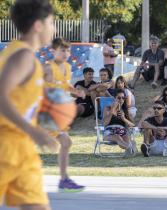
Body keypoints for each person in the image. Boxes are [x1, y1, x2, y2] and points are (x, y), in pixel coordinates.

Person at [0, 0, 57, 210]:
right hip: (5, 144)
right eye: (51, 22)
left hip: (22, 148)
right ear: (38, 26)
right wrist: (32, 130)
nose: (54, 29)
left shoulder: (24, 56)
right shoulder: (22, 56)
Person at [44, 37, 85, 192]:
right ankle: (64, 179)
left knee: (66, 143)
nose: (66, 53)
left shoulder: (67, 67)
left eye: (68, 50)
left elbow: (65, 84)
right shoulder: (48, 68)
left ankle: (64, 180)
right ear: (53, 51)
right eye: (62, 50)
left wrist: (76, 91)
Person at [103, 90, 137, 157]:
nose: (121, 100)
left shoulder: (125, 110)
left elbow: (133, 125)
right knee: (117, 137)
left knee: (126, 137)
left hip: (122, 132)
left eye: (123, 98)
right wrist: (112, 110)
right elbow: (105, 123)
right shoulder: (108, 108)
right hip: (109, 133)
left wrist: (123, 118)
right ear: (114, 98)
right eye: (119, 98)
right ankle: (131, 148)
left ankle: (129, 149)